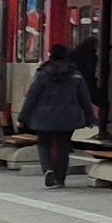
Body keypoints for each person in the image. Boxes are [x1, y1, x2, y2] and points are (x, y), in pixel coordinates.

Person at [19, 39, 96, 189]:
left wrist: (23, 117)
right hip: (68, 116)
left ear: (50, 56)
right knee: (63, 146)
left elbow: (32, 96)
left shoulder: (43, 74)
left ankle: (48, 169)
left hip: (44, 117)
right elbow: (84, 98)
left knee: (43, 143)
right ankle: (60, 179)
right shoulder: (75, 75)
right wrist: (90, 117)